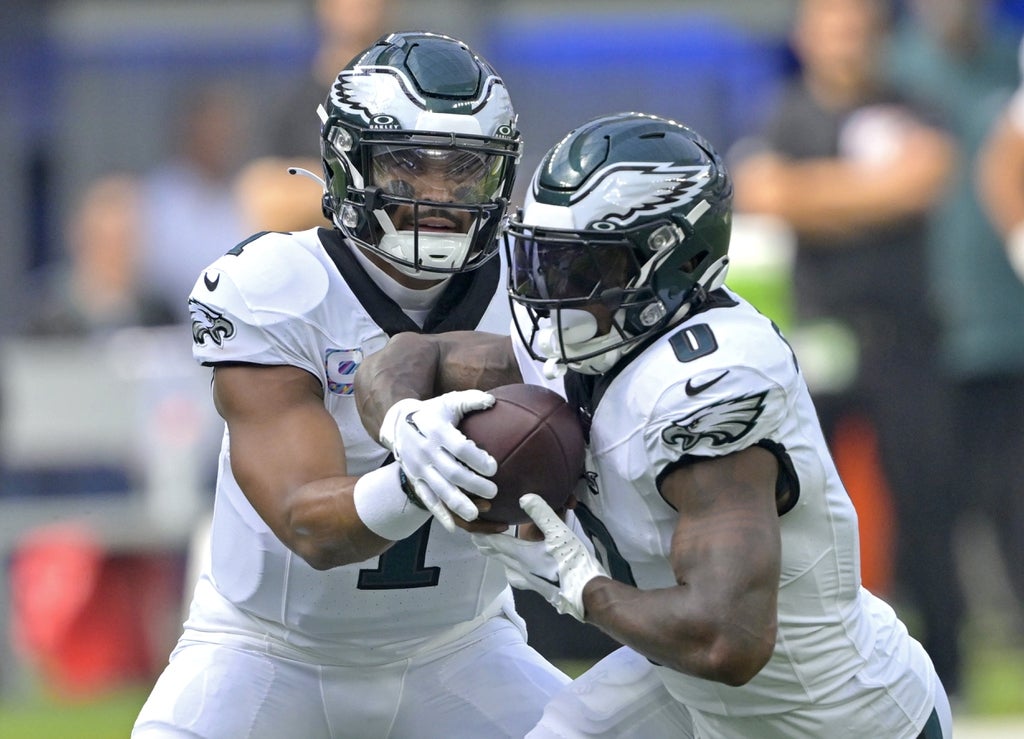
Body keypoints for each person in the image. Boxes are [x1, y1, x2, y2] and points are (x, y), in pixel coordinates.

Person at [354, 111, 952, 738]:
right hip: (683, 683)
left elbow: (729, 644)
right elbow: (408, 355)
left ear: (668, 258)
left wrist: (583, 587)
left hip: (835, 713)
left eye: (580, 268)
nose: (549, 290)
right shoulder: (591, 334)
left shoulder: (710, 384)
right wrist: (405, 424)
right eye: (542, 259)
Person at [132, 31, 569, 738]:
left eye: (463, 169)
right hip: (266, 652)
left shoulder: (538, 291)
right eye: (405, 164)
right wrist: (417, 477)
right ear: (344, 161)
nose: (436, 194)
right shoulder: (277, 285)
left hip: (461, 649)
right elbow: (309, 522)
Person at [729, 0, 963, 696]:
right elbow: (759, 193)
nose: (846, 44)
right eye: (834, 29)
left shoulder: (914, 106)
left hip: (906, 341)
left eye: (860, 30)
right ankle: (799, 666)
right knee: (795, 509)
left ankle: (944, 670)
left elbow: (923, 178)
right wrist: (869, 194)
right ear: (807, 37)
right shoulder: (782, 111)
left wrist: (813, 196)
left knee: (925, 504)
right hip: (813, 345)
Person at [234, 0, 397, 233]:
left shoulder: (416, 95)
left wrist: (316, 188)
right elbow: (262, 199)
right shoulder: (292, 102)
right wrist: (372, 188)